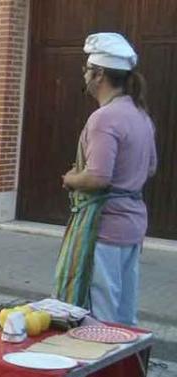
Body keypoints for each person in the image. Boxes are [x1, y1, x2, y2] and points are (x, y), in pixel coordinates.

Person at [54, 33, 157, 326]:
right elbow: (149, 168)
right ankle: (126, 370)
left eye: (87, 70)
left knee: (100, 313)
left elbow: (98, 177)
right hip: (132, 224)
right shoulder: (141, 115)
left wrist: (72, 178)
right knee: (124, 311)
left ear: (98, 75)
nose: (85, 75)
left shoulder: (104, 118)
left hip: (105, 227)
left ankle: (101, 370)